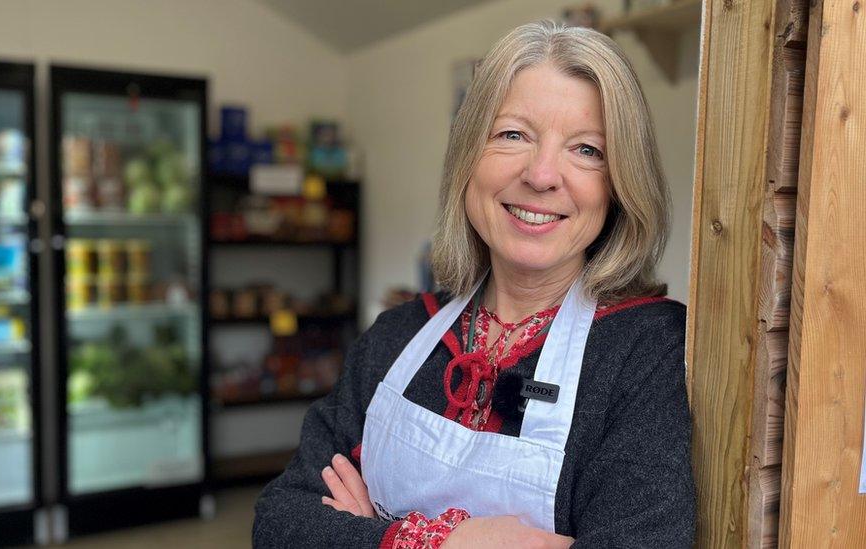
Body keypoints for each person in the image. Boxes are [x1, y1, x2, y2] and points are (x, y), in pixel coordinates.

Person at [253, 20, 694, 548]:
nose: (542, 175)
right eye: (513, 135)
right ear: (467, 158)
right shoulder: (397, 335)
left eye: (587, 150)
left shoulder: (647, 348)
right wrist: (438, 542)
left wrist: (367, 530)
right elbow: (280, 522)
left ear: (621, 182)